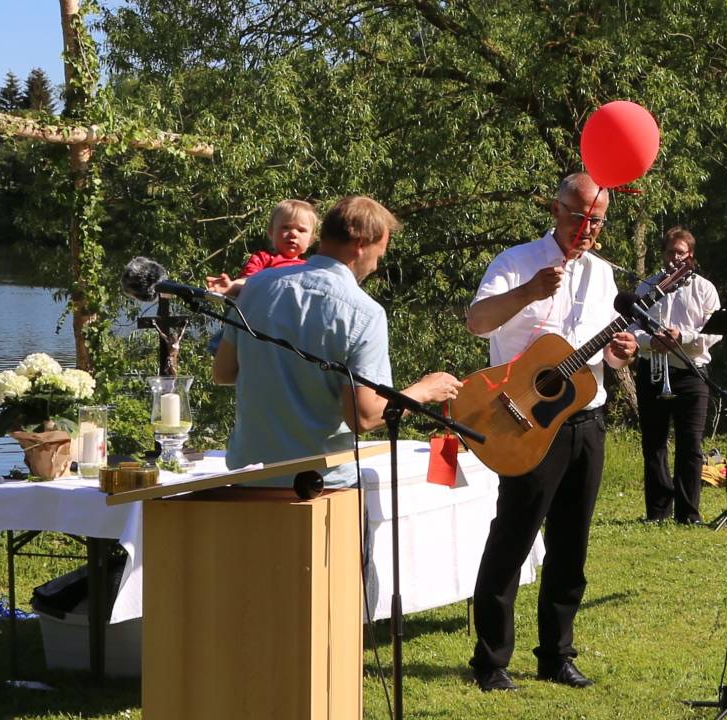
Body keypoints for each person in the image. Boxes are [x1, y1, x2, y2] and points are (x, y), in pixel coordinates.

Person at [465, 173, 637, 692]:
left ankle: (556, 655)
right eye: (579, 214)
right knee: (512, 540)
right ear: (556, 209)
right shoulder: (515, 261)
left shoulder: (604, 276)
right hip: (526, 424)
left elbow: (597, 349)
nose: (587, 227)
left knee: (571, 546)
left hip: (587, 421)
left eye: (597, 219)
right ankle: (491, 660)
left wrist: (619, 353)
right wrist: (529, 291)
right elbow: (477, 322)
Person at [213, 195, 462, 487]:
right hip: (319, 484)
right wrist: (424, 390)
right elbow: (365, 417)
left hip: (248, 478)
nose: (376, 265)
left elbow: (223, 372)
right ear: (360, 244)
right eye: (378, 255)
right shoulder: (365, 313)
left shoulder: (255, 287)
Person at [631, 226, 721, 525]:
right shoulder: (648, 287)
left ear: (690, 256)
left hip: (691, 373)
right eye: (670, 252)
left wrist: (681, 336)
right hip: (653, 370)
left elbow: (714, 331)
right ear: (664, 254)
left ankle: (688, 513)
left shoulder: (704, 288)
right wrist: (648, 341)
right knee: (654, 443)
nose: (675, 258)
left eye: (680, 253)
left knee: (690, 445)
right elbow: (631, 328)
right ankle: (657, 512)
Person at [206, 198, 317, 297]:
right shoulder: (263, 259)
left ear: (311, 240)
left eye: (301, 230)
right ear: (271, 232)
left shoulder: (311, 269)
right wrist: (231, 287)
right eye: (286, 227)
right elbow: (248, 282)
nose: (293, 233)